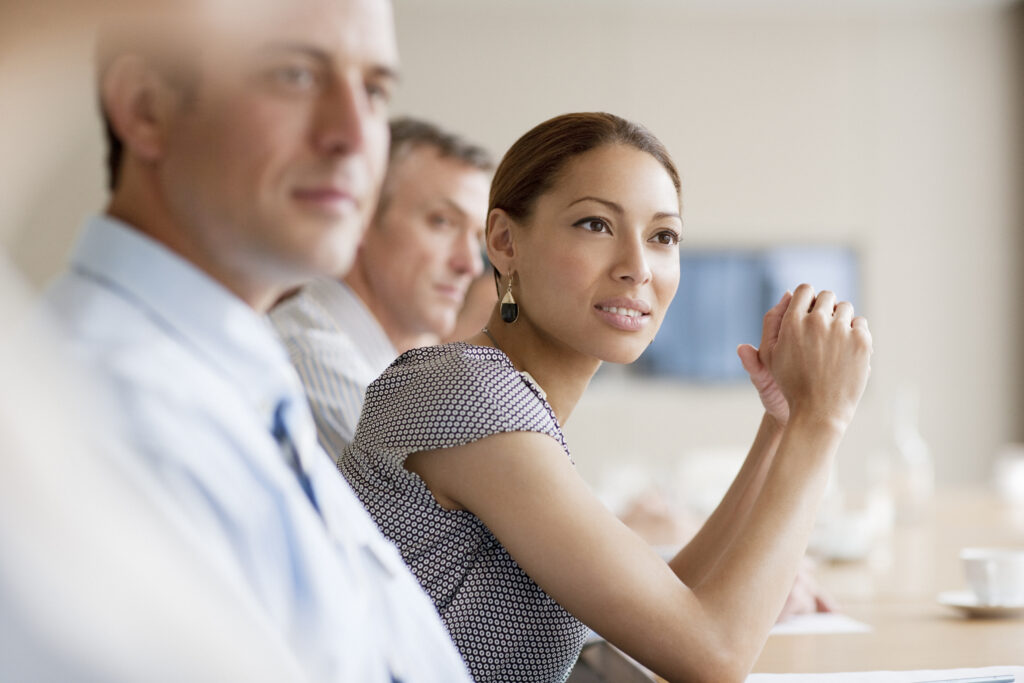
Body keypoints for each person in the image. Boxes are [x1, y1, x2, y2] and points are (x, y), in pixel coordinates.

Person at [338, 112, 873, 683]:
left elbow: (673, 604)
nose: (637, 269)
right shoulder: (467, 393)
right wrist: (823, 422)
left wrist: (782, 421)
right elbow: (714, 657)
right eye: (595, 225)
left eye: (662, 236)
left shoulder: (499, 395)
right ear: (504, 241)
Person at [40, 3, 471, 681]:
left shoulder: (238, 374)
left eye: (376, 90)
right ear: (145, 107)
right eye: (295, 75)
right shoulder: (93, 412)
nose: (355, 134)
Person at [271, 116, 491, 452]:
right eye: (443, 222)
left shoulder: (394, 374)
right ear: (360, 219)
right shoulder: (312, 358)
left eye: (477, 237)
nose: (471, 265)